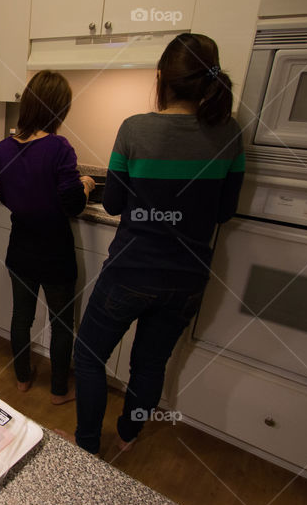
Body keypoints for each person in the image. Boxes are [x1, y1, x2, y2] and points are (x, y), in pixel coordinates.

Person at [73, 33, 244, 455]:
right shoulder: (229, 134)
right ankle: (129, 437)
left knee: (89, 357)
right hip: (186, 279)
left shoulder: (135, 129)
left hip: (130, 271)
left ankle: (87, 447)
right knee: (149, 365)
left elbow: (112, 203)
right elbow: (224, 211)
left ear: (163, 78)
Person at [0, 71, 96, 405]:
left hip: (20, 246)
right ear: (58, 109)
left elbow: (7, 196)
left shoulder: (4, 149)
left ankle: (22, 378)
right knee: (61, 322)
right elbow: (73, 205)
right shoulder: (59, 148)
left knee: (21, 317)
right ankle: (59, 391)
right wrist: (86, 185)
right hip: (54, 251)